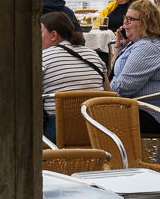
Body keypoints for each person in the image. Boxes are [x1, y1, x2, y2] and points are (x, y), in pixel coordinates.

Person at [111, 0, 160, 133]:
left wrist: (100, 90)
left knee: (93, 114)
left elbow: (122, 89)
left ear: (144, 23)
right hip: (148, 106)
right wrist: (120, 46)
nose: (125, 23)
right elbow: (117, 72)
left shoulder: (148, 47)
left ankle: (115, 154)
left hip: (155, 112)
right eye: (125, 18)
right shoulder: (142, 42)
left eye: (130, 19)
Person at [41, 11, 109, 145]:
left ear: (54, 35)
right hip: (97, 129)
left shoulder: (43, 58)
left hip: (60, 131)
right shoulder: (93, 55)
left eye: (40, 32)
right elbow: (109, 95)